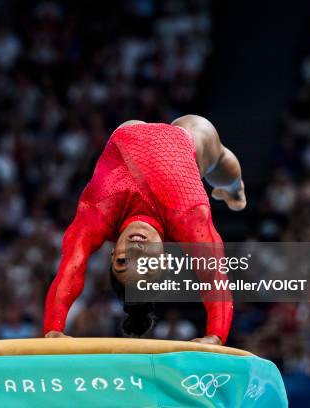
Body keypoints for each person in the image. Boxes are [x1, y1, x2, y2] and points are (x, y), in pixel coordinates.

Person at [43, 115, 246, 345]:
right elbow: (214, 277)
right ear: (166, 260)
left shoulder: (97, 216)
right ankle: (235, 189)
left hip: (128, 133)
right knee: (212, 148)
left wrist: (53, 328)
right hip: (187, 141)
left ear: (112, 255)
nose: (135, 250)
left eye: (123, 262)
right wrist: (215, 336)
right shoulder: (188, 219)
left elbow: (71, 267)